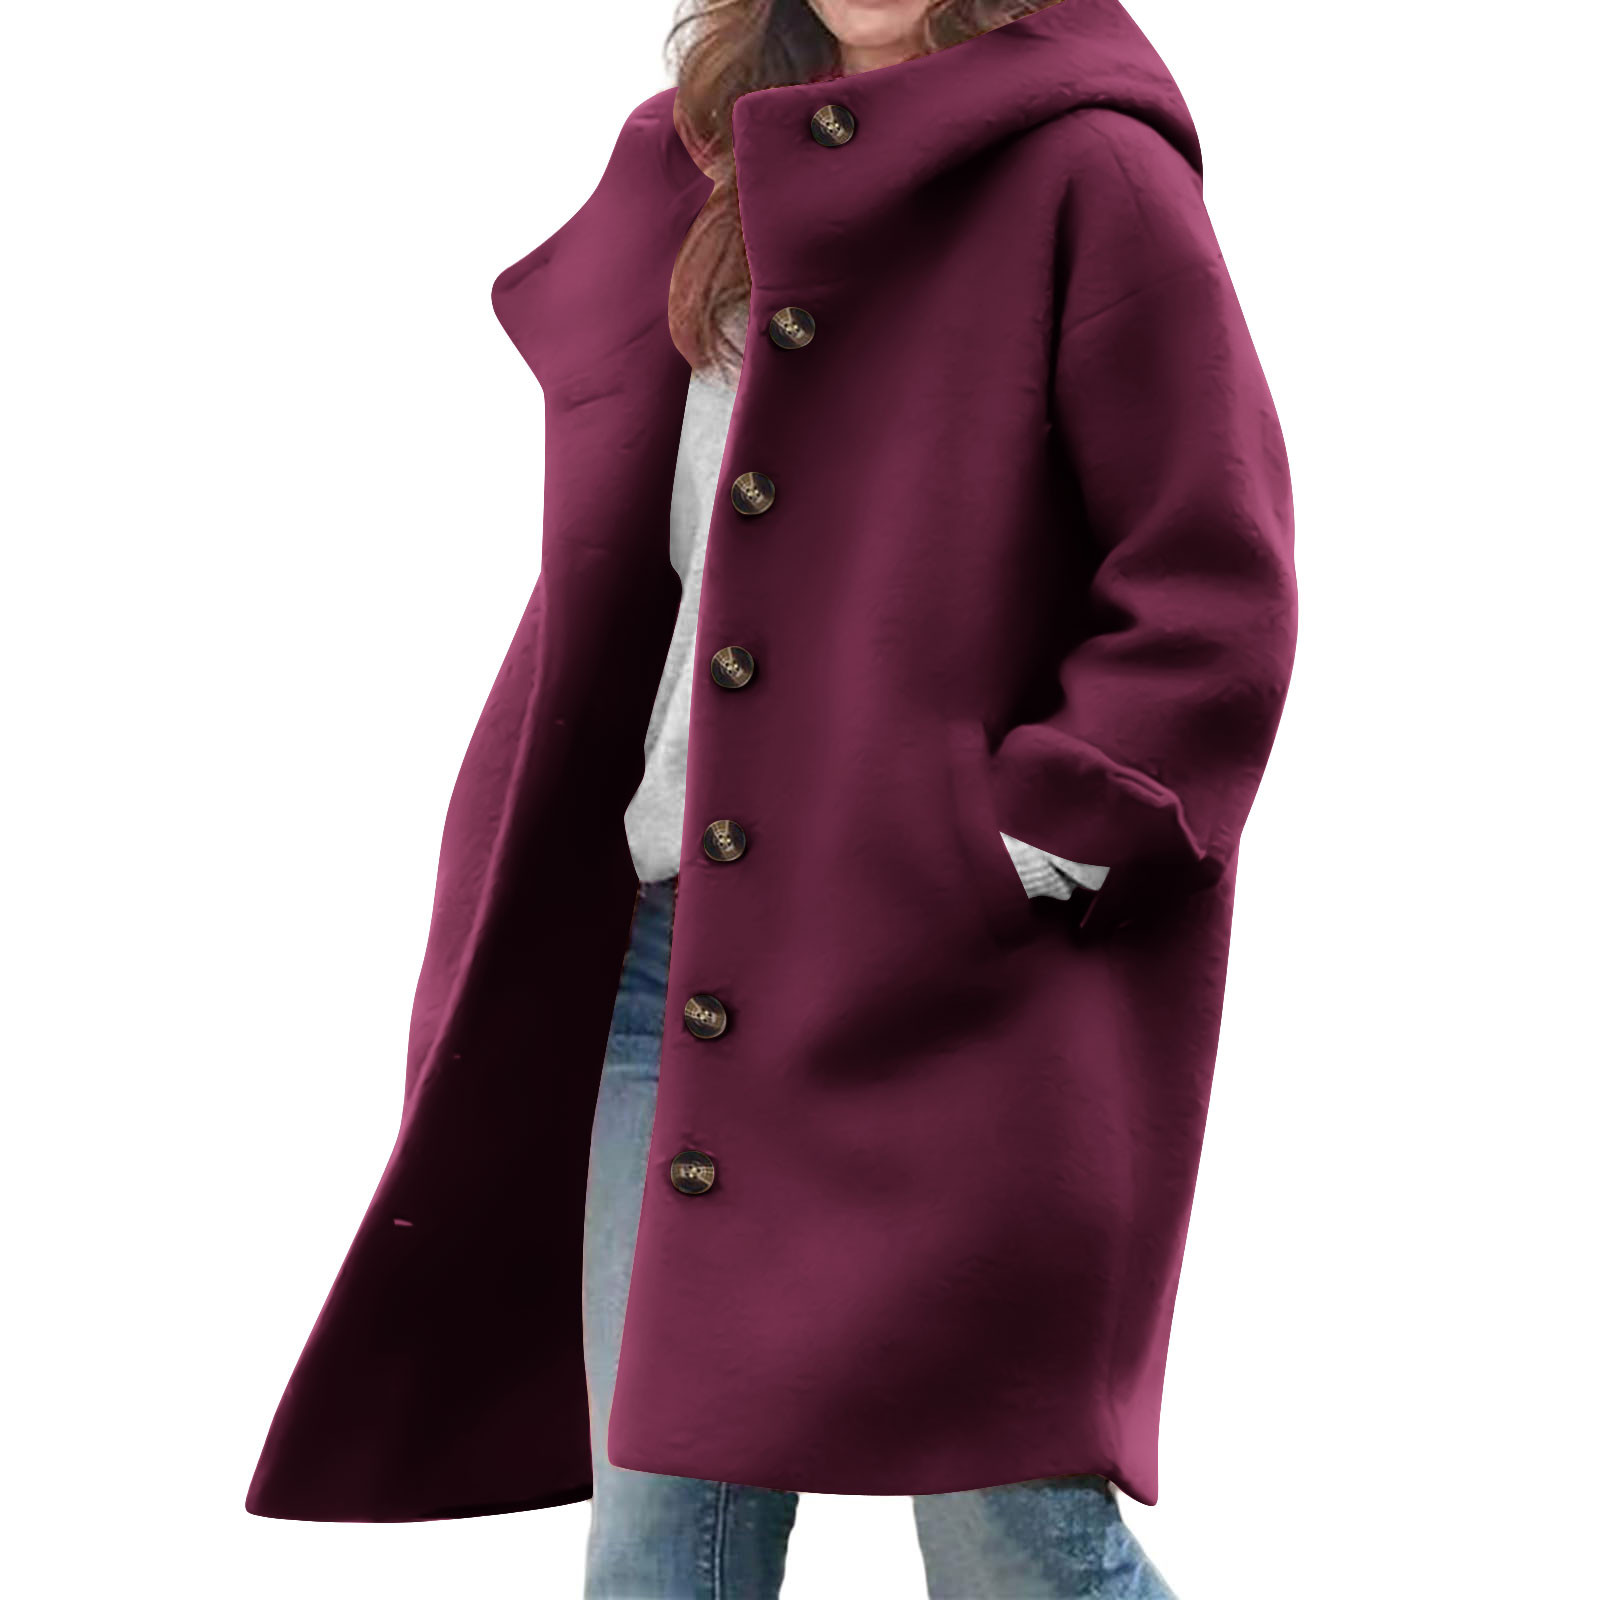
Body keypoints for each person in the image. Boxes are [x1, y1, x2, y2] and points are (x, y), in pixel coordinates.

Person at [246, 3, 1297, 1596]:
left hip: (961, 987)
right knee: (662, 1539)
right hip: (670, 962)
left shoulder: (1088, 170)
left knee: (1013, 1540)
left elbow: (1211, 579)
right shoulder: (704, 165)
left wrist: (1018, 853)